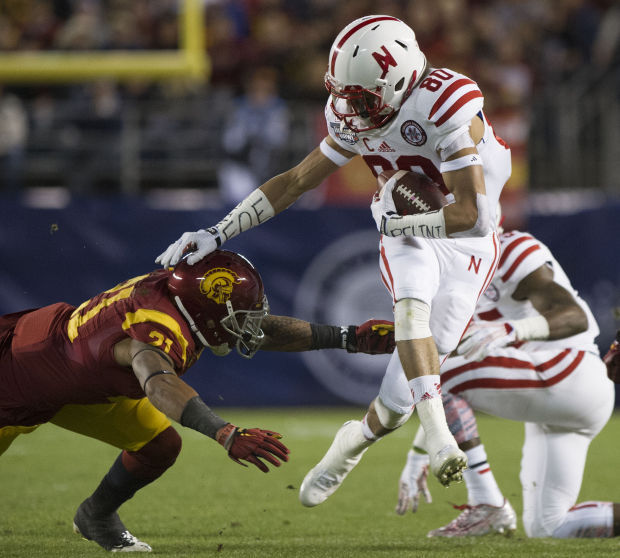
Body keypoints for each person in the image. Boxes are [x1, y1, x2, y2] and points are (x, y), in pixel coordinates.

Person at [157, 14, 511, 503]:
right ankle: (438, 432)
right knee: (411, 307)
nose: (349, 108)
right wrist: (217, 232)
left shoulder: (446, 105)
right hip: (404, 220)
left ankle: (354, 441)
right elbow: (297, 180)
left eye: (363, 97)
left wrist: (401, 223)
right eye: (345, 93)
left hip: (467, 235)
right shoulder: (352, 110)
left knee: (392, 407)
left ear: (402, 78)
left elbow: (473, 215)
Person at [0, 249, 395, 553]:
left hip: (79, 382)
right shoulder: (158, 325)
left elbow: (254, 331)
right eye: (241, 315)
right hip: (17, 379)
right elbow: (158, 383)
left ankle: (95, 517)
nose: (249, 324)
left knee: (159, 445)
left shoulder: (183, 295)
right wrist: (223, 433)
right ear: (206, 312)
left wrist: (347, 338)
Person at [396, 229, 618, 539]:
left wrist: (513, 329)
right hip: (553, 399)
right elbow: (443, 389)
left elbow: (576, 317)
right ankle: (490, 504)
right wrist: (420, 453)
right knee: (548, 526)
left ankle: (486, 502)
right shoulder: (449, 277)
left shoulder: (510, 249)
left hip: (571, 371)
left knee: (435, 371)